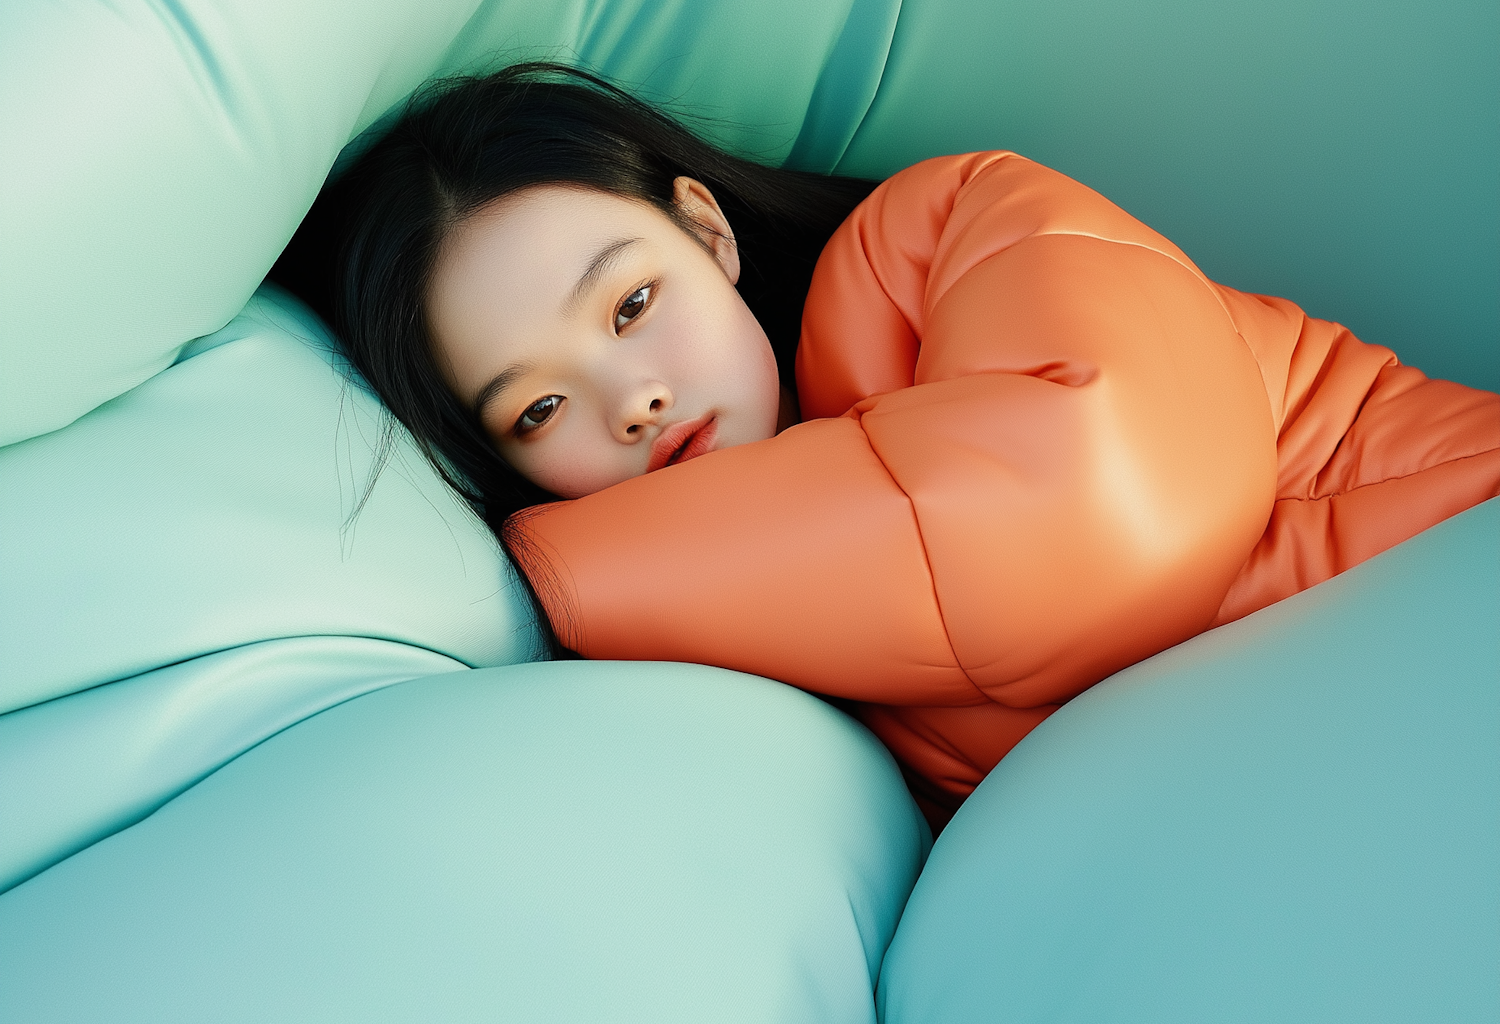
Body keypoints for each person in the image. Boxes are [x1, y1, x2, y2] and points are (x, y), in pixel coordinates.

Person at [279, 62, 1500, 828]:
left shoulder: (942, 231)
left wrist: (575, 577)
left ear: (705, 231)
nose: (631, 400)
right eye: (537, 410)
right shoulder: (731, 656)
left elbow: (1090, 518)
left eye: (632, 304)